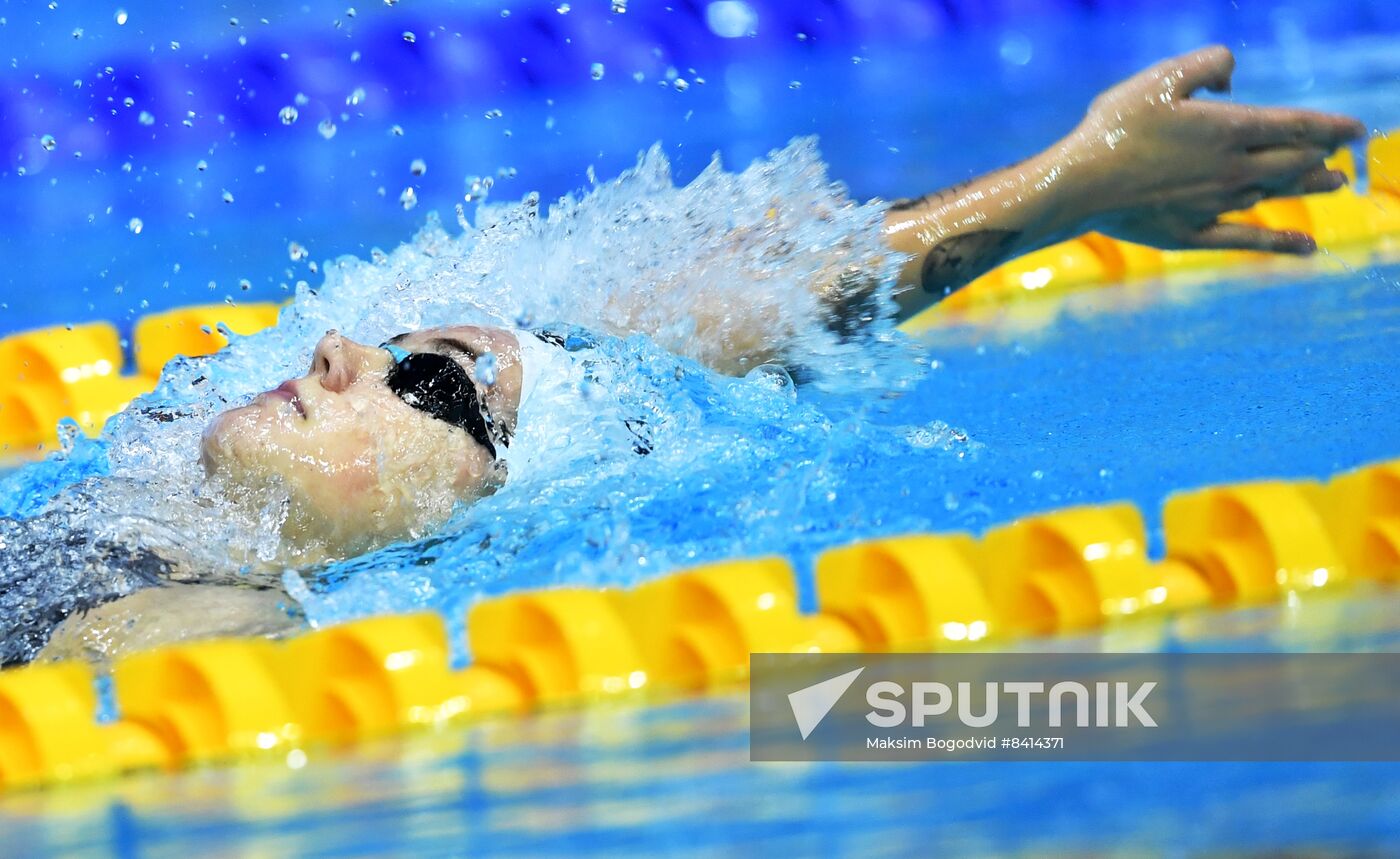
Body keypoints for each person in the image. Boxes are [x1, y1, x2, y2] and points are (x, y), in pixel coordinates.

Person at [37, 46, 1366, 662]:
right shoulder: (127, 508)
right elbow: (774, 301)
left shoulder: (218, 632)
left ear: (484, 511)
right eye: (392, 352)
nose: (335, 353)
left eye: (429, 382)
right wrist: (1055, 191)